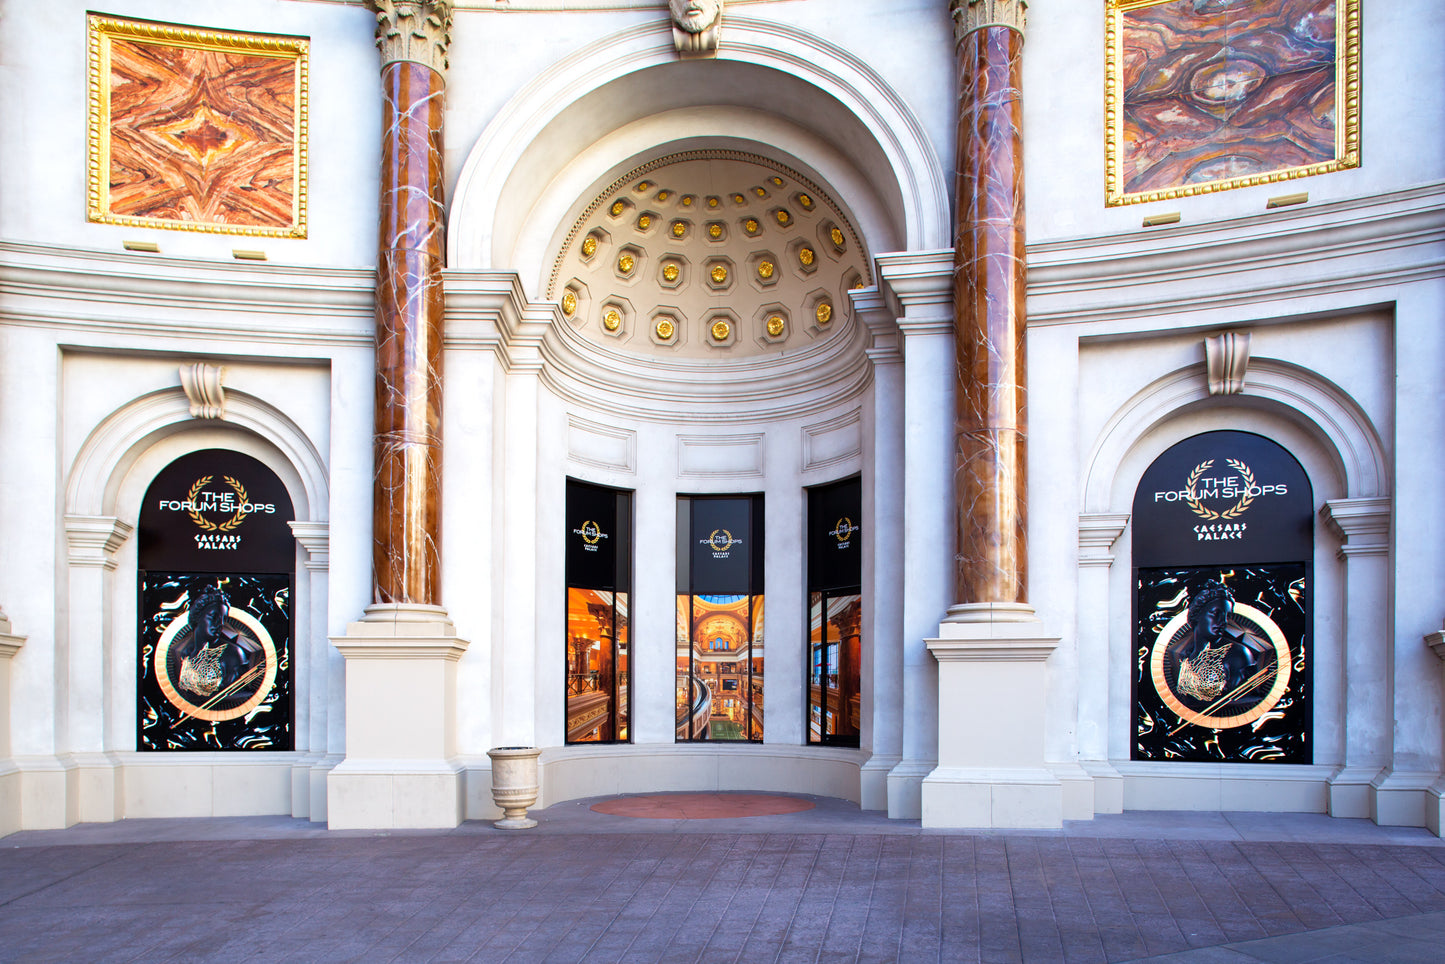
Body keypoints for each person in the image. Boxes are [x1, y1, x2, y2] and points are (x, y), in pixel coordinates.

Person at [1164, 581, 1272, 713]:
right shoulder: (1180, 654)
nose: (1223, 622)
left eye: (1226, 616)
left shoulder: (1239, 654)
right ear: (1197, 614)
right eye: (1216, 614)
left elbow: (1251, 698)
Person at [175, 584, 262, 702]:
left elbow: (241, 694)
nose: (220, 624)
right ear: (197, 616)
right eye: (213, 617)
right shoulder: (181, 652)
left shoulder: (233, 654)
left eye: (223, 619)